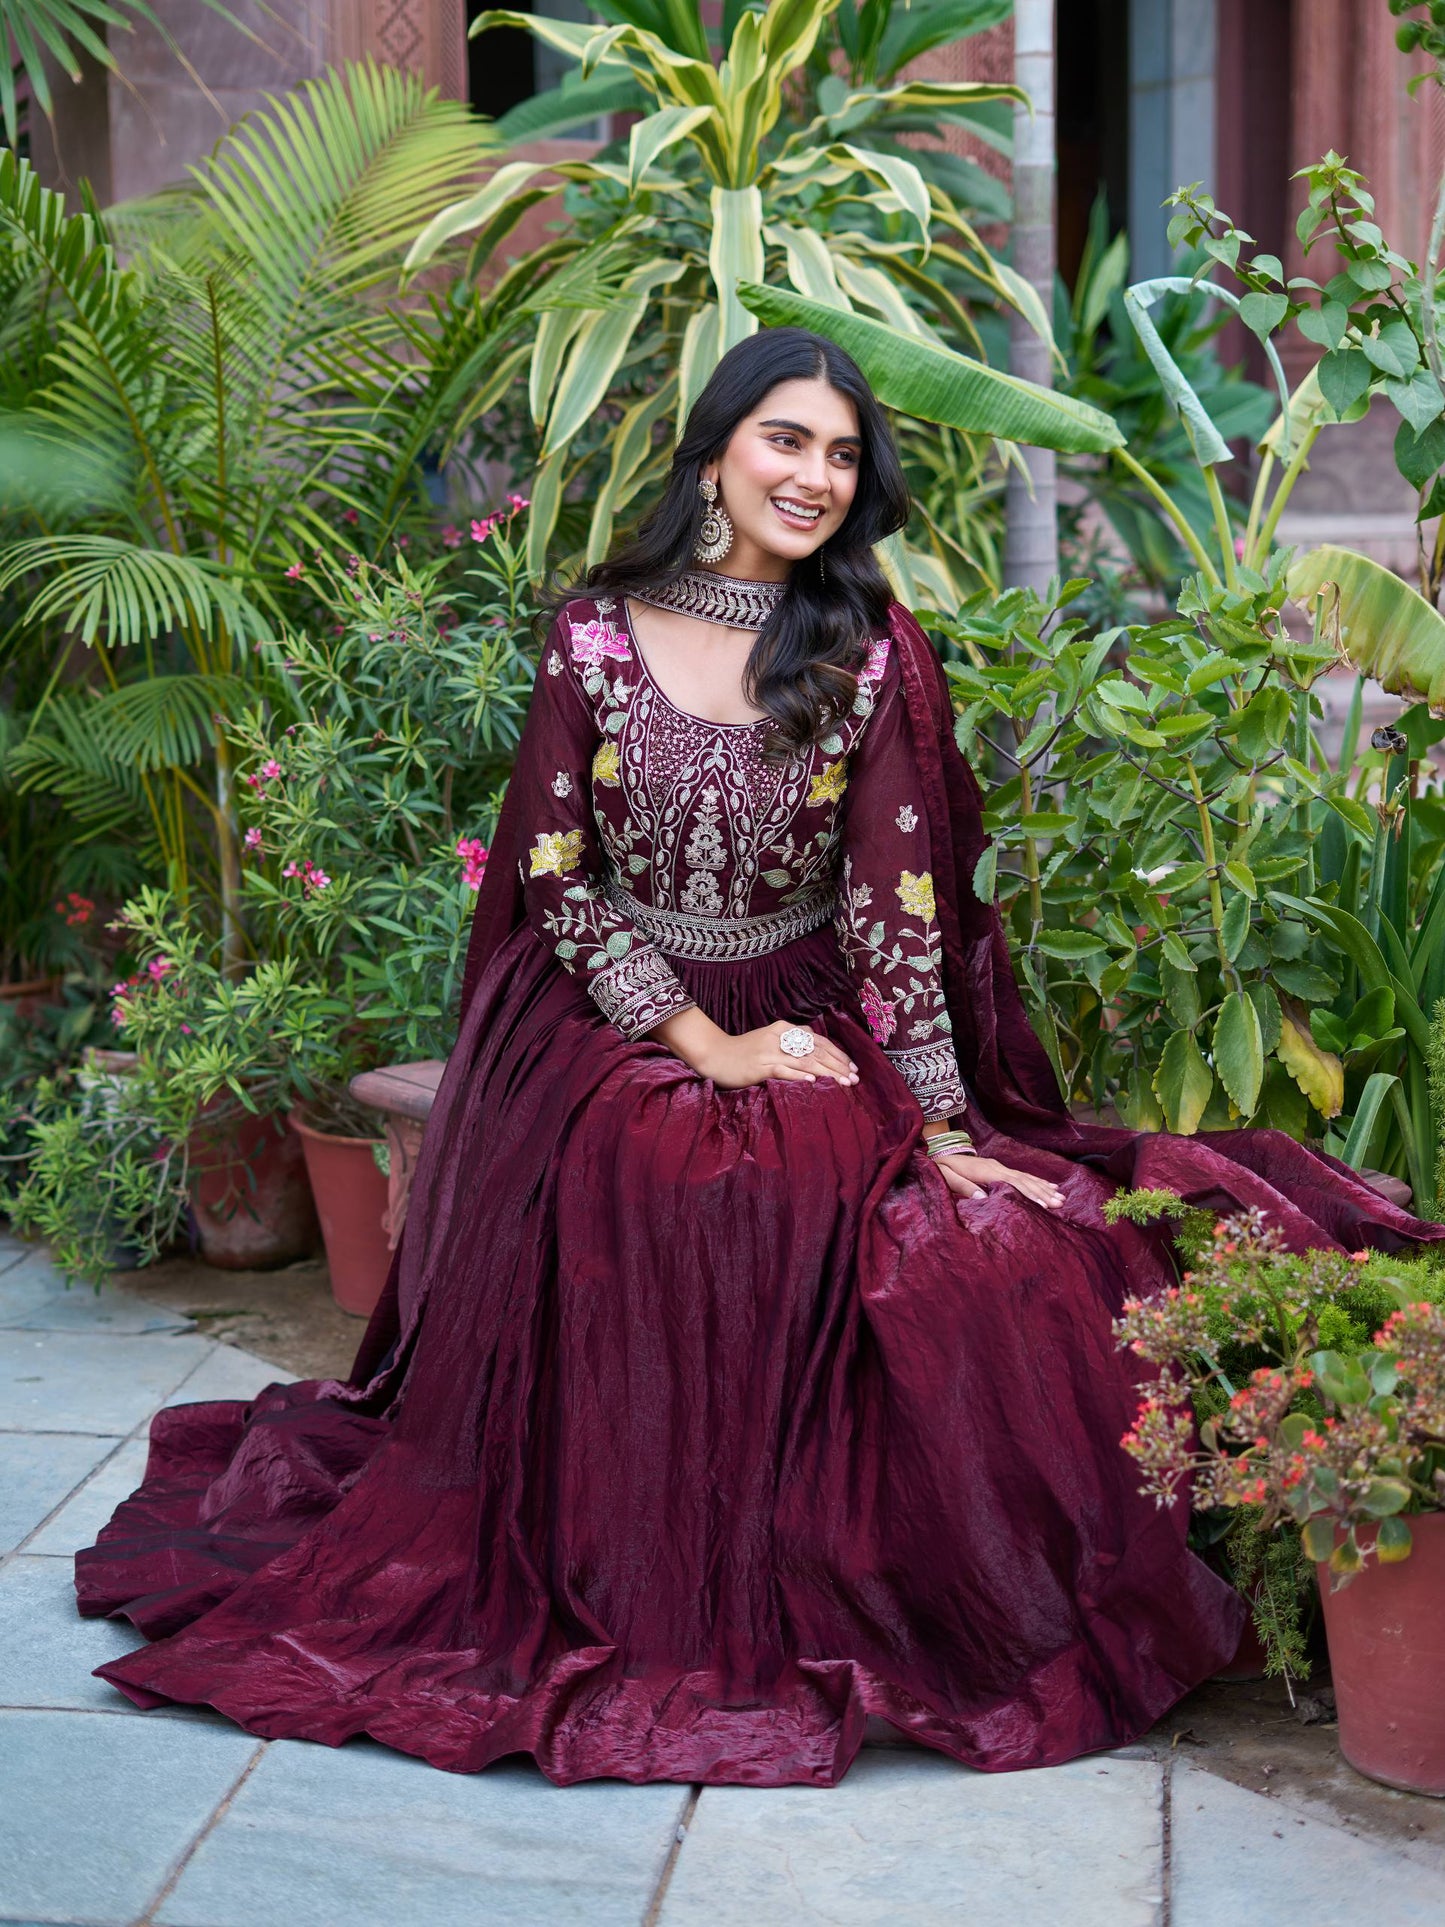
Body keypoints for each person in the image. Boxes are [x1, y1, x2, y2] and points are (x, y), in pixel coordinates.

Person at [77, 327, 1445, 1788]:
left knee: (958, 1239)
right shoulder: (596, 637)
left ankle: (843, 1580)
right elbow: (555, 875)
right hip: (611, 1010)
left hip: (805, 989)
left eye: (842, 455)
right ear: (715, 452)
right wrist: (700, 1039)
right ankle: (647, 1574)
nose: (814, 477)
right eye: (785, 440)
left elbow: (897, 910)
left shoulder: (863, 652)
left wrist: (944, 1127)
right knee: (676, 1153)